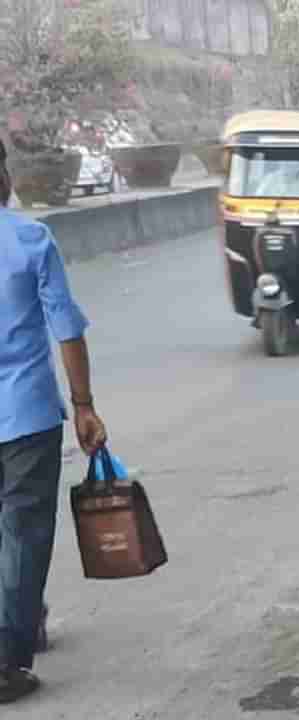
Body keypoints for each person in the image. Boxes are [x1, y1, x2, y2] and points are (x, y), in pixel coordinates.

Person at [0, 135, 108, 703]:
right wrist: (85, 404)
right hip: (25, 416)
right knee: (22, 532)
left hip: (25, 415)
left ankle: (18, 624)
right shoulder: (29, 238)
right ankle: (7, 659)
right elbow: (65, 326)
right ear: (4, 177)